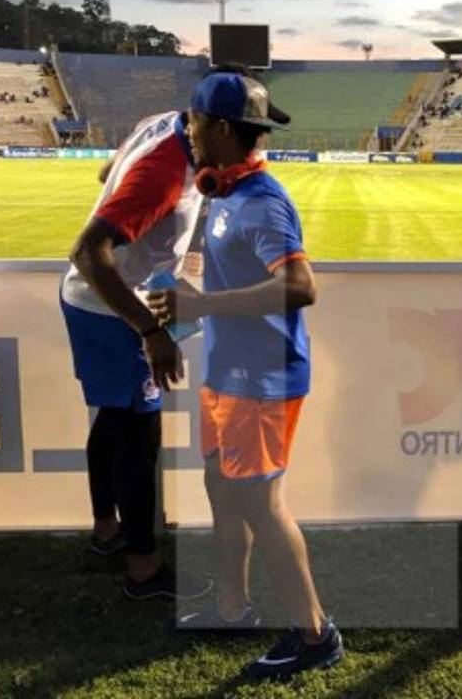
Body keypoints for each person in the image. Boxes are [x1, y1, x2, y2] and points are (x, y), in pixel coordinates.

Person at [146, 71, 344, 678]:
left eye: (195, 121)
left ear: (223, 129)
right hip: (228, 375)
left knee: (261, 503)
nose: (189, 130)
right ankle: (233, 604)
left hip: (262, 382)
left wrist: (201, 305)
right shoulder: (225, 194)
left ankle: (315, 635)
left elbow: (300, 286)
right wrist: (197, 297)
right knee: (220, 487)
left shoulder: (261, 201)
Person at [61, 98, 214, 601]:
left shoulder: (160, 123)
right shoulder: (166, 171)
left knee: (115, 419)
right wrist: (150, 331)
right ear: (212, 124)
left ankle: (107, 532)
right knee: (138, 434)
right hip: (113, 307)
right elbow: (87, 251)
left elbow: (107, 170)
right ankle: (143, 569)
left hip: (103, 302)